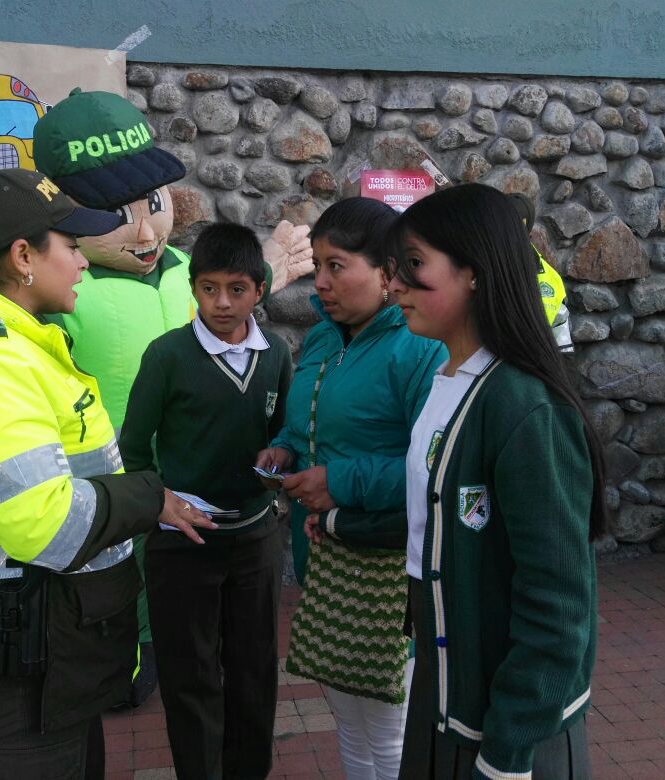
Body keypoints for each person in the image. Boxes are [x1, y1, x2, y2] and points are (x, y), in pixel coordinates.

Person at [0, 168, 214, 779]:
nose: (82, 263)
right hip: (15, 649)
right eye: (70, 246)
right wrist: (149, 497)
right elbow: (42, 525)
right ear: (23, 256)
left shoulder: (9, 341)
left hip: (36, 645)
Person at [32, 90, 312, 705]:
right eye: (111, 211)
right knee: (107, 591)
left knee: (187, 599)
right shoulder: (61, 291)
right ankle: (119, 670)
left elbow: (215, 319)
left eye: (153, 204)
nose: (144, 229)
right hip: (104, 485)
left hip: (188, 481)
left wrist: (257, 279)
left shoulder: (184, 266)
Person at [387, 183, 604, 780]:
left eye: (414, 265)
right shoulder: (450, 379)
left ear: (475, 273)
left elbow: (558, 602)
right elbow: (438, 520)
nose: (395, 285)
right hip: (448, 690)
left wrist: (507, 753)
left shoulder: (523, 406)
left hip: (510, 726)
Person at [257, 197, 447, 780]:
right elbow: (311, 414)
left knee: (389, 729)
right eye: (317, 266)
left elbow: (434, 465)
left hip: (385, 560)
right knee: (347, 715)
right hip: (325, 550)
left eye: (337, 266)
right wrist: (288, 443)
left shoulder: (420, 348)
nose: (322, 282)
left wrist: (338, 479)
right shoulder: (323, 338)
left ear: (387, 272)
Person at [119, 223, 292, 779]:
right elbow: (132, 446)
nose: (222, 302)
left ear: (259, 290)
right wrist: (159, 500)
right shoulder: (167, 355)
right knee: (189, 672)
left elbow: (283, 434)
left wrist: (280, 459)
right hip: (182, 542)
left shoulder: (277, 355)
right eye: (209, 288)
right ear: (192, 288)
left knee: (254, 667)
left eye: (237, 289)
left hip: (255, 536)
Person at [507, 192, 573, 352]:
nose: (507, 240)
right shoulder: (474, 269)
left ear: (528, 236)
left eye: (513, 233)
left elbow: (563, 351)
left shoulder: (551, 281)